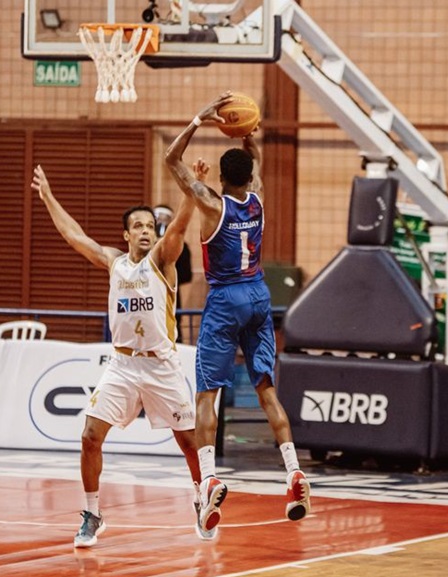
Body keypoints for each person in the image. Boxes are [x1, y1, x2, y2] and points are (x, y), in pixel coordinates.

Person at [31, 164, 210, 546]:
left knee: (189, 443)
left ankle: (201, 500)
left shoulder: (163, 260)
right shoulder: (115, 263)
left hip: (161, 364)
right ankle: (93, 514)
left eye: (151, 226)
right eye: (139, 226)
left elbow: (178, 226)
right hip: (123, 364)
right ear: (127, 234)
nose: (147, 231)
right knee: (89, 436)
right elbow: (73, 235)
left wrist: (191, 190)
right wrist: (48, 197)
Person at [165, 91, 311, 536]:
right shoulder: (259, 199)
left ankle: (208, 477)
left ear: (223, 179)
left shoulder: (213, 204)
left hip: (226, 299)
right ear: (248, 175)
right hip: (259, 296)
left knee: (207, 393)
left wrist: (199, 119)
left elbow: (173, 161)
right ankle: (293, 473)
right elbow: (257, 160)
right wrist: (247, 133)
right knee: (266, 389)